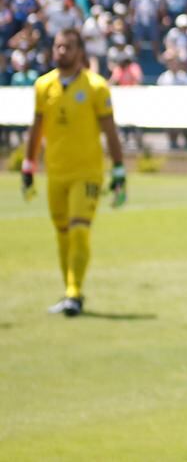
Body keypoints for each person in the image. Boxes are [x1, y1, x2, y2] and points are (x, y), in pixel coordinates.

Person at [20, 29, 127, 317]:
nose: (61, 51)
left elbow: (110, 131)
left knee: (79, 229)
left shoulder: (96, 86)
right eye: (58, 46)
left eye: (67, 47)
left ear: (80, 52)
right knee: (63, 233)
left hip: (87, 172)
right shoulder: (43, 86)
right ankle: (69, 289)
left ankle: (74, 293)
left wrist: (119, 169)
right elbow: (36, 128)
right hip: (56, 172)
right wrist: (29, 165)